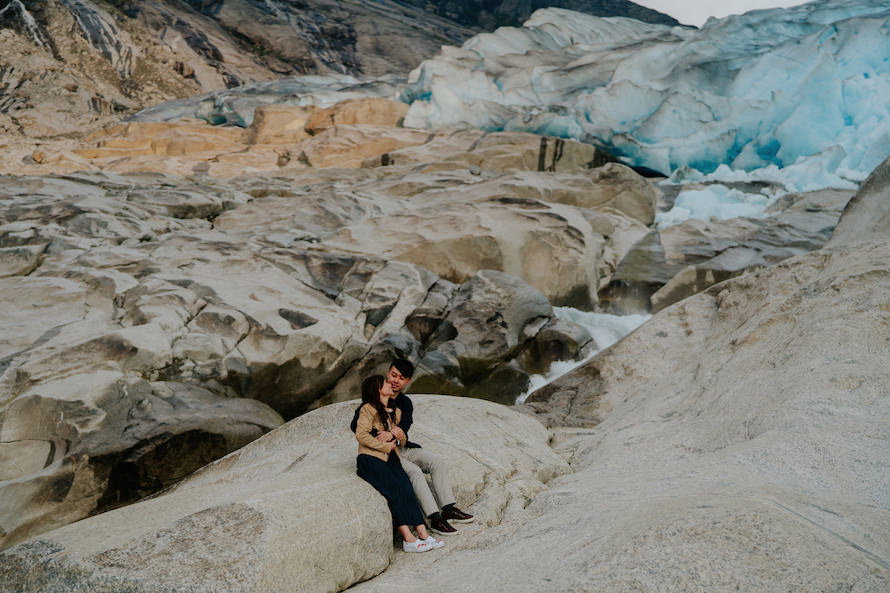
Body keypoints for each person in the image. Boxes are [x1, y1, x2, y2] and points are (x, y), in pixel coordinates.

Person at [351, 358, 474, 536]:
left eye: (401, 378)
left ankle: (448, 509)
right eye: (393, 375)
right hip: (385, 453)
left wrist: (396, 433)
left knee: (435, 461)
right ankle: (434, 518)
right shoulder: (370, 403)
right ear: (388, 373)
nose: (395, 380)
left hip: (403, 446)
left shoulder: (405, 403)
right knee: (414, 472)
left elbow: (405, 425)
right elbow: (356, 427)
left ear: (408, 381)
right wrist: (381, 435)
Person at [355, 375, 444, 553]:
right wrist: (384, 445)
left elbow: (401, 443)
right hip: (370, 459)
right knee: (394, 491)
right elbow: (361, 434)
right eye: (386, 383)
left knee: (406, 488)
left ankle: (423, 534)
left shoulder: (395, 412)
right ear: (378, 389)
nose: (391, 384)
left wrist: (399, 435)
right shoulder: (367, 409)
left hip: (392, 459)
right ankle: (408, 539)